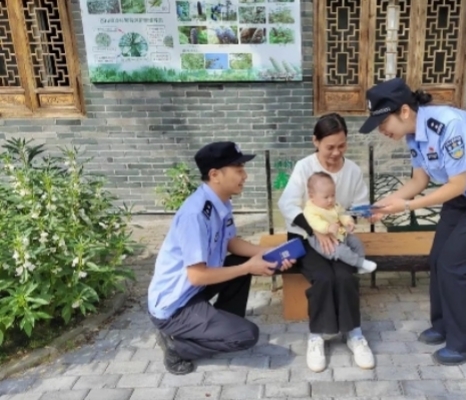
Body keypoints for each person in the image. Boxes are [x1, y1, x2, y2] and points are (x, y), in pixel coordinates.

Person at [359, 78, 466, 366]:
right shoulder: (413, 134)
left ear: (405, 111)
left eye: (383, 122)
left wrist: (407, 206)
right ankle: (444, 325)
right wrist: (383, 207)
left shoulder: (446, 124)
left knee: (455, 265)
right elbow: (419, 180)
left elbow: (457, 185)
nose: (381, 130)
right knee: (438, 259)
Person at [147, 141, 295, 375]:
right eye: (239, 170)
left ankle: (218, 325)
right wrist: (249, 267)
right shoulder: (195, 214)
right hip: (174, 307)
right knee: (246, 336)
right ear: (215, 175)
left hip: (193, 291)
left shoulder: (220, 202)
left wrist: (267, 253)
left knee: (238, 263)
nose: (244, 176)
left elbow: (231, 242)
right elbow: (196, 276)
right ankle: (177, 347)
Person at [278, 113, 375, 373]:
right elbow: (286, 204)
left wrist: (355, 217)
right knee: (323, 277)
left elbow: (358, 205)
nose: (336, 152)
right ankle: (317, 335)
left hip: (338, 236)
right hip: (305, 236)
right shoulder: (304, 166)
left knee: (344, 275)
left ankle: (354, 333)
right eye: (329, 146)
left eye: (341, 145)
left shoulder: (352, 170)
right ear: (316, 142)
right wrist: (315, 230)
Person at [303, 171, 377, 274]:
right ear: (312, 196)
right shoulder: (310, 209)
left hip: (340, 233)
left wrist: (348, 222)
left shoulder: (335, 205)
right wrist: (327, 227)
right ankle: (360, 263)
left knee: (356, 242)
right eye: (326, 197)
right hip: (322, 240)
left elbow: (342, 214)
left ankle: (361, 264)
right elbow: (314, 222)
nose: (330, 200)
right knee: (341, 251)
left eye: (332, 195)